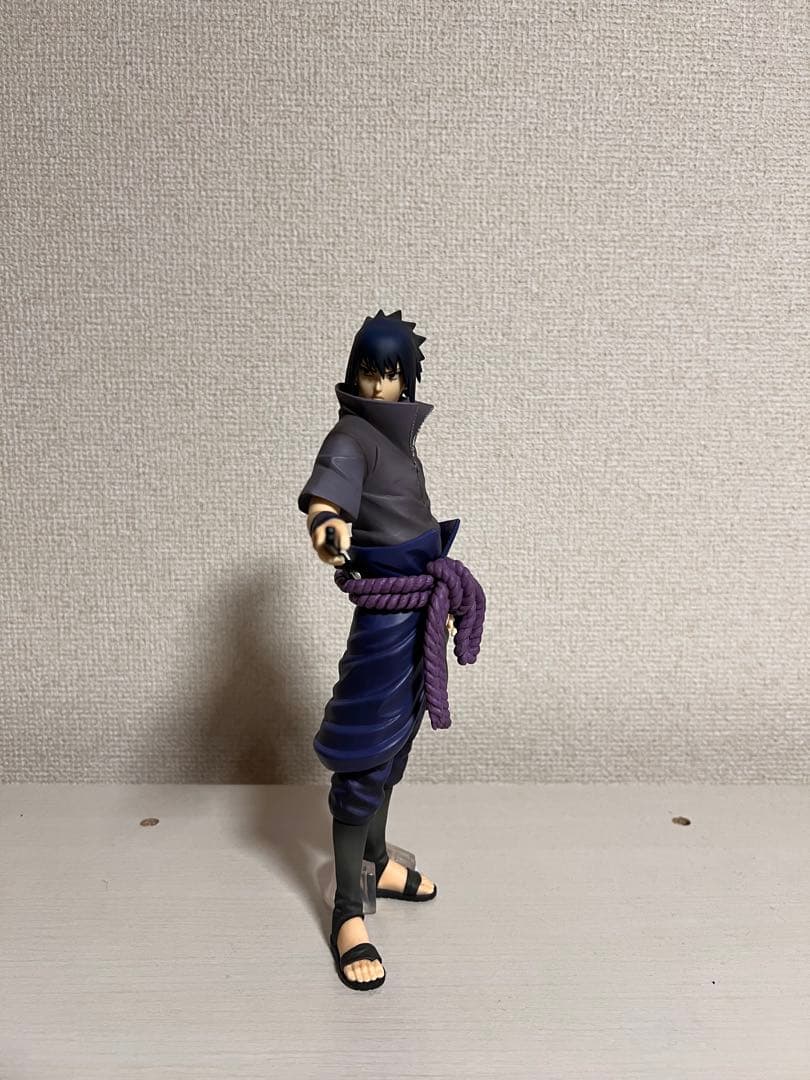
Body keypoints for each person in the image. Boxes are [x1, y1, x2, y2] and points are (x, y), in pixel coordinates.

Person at [298, 309, 478, 990]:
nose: (377, 385)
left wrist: (442, 605)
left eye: (390, 373)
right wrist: (327, 524)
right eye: (368, 371)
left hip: (416, 615)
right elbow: (330, 491)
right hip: (383, 626)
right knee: (362, 760)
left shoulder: (399, 443)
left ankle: (375, 859)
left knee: (394, 754)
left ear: (407, 380)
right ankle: (348, 909)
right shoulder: (350, 436)